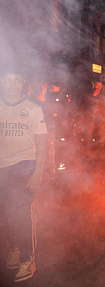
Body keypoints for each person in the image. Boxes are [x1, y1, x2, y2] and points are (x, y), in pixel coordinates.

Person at [0, 70, 47, 282]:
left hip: (24, 166)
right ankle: (15, 248)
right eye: (7, 79)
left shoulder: (33, 109)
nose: (12, 84)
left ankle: (28, 259)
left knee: (22, 214)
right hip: (1, 168)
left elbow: (41, 144)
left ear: (23, 83)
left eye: (17, 79)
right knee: (5, 214)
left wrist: (38, 172)